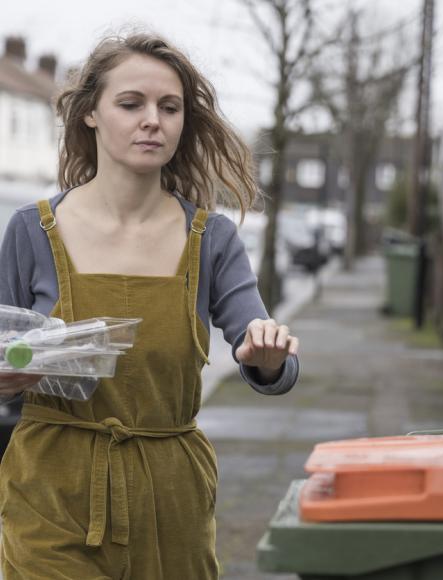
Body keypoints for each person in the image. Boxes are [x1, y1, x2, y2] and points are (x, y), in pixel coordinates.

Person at [0, 32, 299, 579]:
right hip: (50, 490)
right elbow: (2, 345)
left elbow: (265, 357)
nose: (152, 120)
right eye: (131, 103)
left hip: (170, 497)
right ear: (90, 112)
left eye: (170, 107)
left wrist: (268, 352)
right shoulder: (31, 231)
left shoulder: (211, 239)